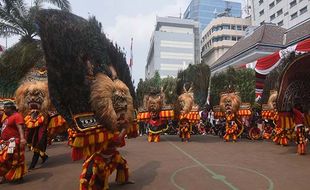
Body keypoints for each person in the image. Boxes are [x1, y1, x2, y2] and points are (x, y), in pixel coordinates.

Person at [0, 101, 27, 184]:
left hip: (14, 142)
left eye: (5, 109)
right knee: (4, 159)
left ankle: (17, 176)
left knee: (14, 160)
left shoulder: (17, 116)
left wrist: (22, 138)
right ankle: (4, 175)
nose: (4, 111)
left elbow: (20, 128)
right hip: (5, 143)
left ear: (10, 109)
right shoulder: (7, 118)